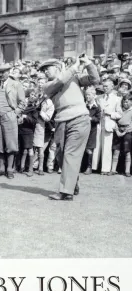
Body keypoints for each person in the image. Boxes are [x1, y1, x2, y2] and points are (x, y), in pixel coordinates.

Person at [40, 55, 100, 201]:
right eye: (43, 70)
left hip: (79, 118)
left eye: (47, 69)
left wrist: (88, 64)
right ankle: (73, 183)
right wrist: (75, 67)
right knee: (60, 155)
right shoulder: (47, 86)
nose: (45, 72)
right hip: (61, 121)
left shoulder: (75, 77)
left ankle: (65, 191)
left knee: (70, 154)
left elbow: (95, 80)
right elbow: (61, 80)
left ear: (58, 67)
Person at [0, 63, 26, 179]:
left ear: (8, 72)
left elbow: (23, 102)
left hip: (10, 117)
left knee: (11, 144)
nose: (1, 74)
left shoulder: (16, 84)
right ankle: (1, 168)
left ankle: (9, 169)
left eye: (3, 72)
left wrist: (15, 113)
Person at [92, 78, 122, 174]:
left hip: (109, 122)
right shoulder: (99, 98)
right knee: (97, 145)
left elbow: (120, 114)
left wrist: (110, 114)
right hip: (99, 123)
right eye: (104, 86)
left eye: (107, 86)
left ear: (112, 87)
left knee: (107, 146)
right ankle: (94, 166)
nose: (105, 88)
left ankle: (105, 169)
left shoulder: (117, 99)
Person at [18, 88, 39, 177]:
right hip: (20, 129)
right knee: (22, 149)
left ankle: (30, 169)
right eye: (31, 94)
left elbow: (34, 121)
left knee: (30, 149)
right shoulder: (22, 106)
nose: (32, 97)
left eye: (35, 96)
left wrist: (26, 117)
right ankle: (21, 167)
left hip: (28, 131)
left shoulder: (33, 109)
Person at [109, 96, 132, 177]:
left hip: (128, 132)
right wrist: (117, 131)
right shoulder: (119, 110)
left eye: (128, 101)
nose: (126, 103)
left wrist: (125, 131)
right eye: (124, 101)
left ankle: (127, 171)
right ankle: (113, 170)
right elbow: (114, 121)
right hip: (118, 130)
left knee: (127, 151)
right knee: (116, 150)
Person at [83, 87, 101, 175]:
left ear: (94, 96)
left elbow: (98, 119)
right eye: (86, 95)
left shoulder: (97, 107)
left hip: (92, 130)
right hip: (83, 129)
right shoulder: (83, 105)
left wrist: (91, 118)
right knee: (81, 148)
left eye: (89, 95)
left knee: (89, 149)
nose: (87, 96)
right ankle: (81, 166)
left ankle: (89, 167)